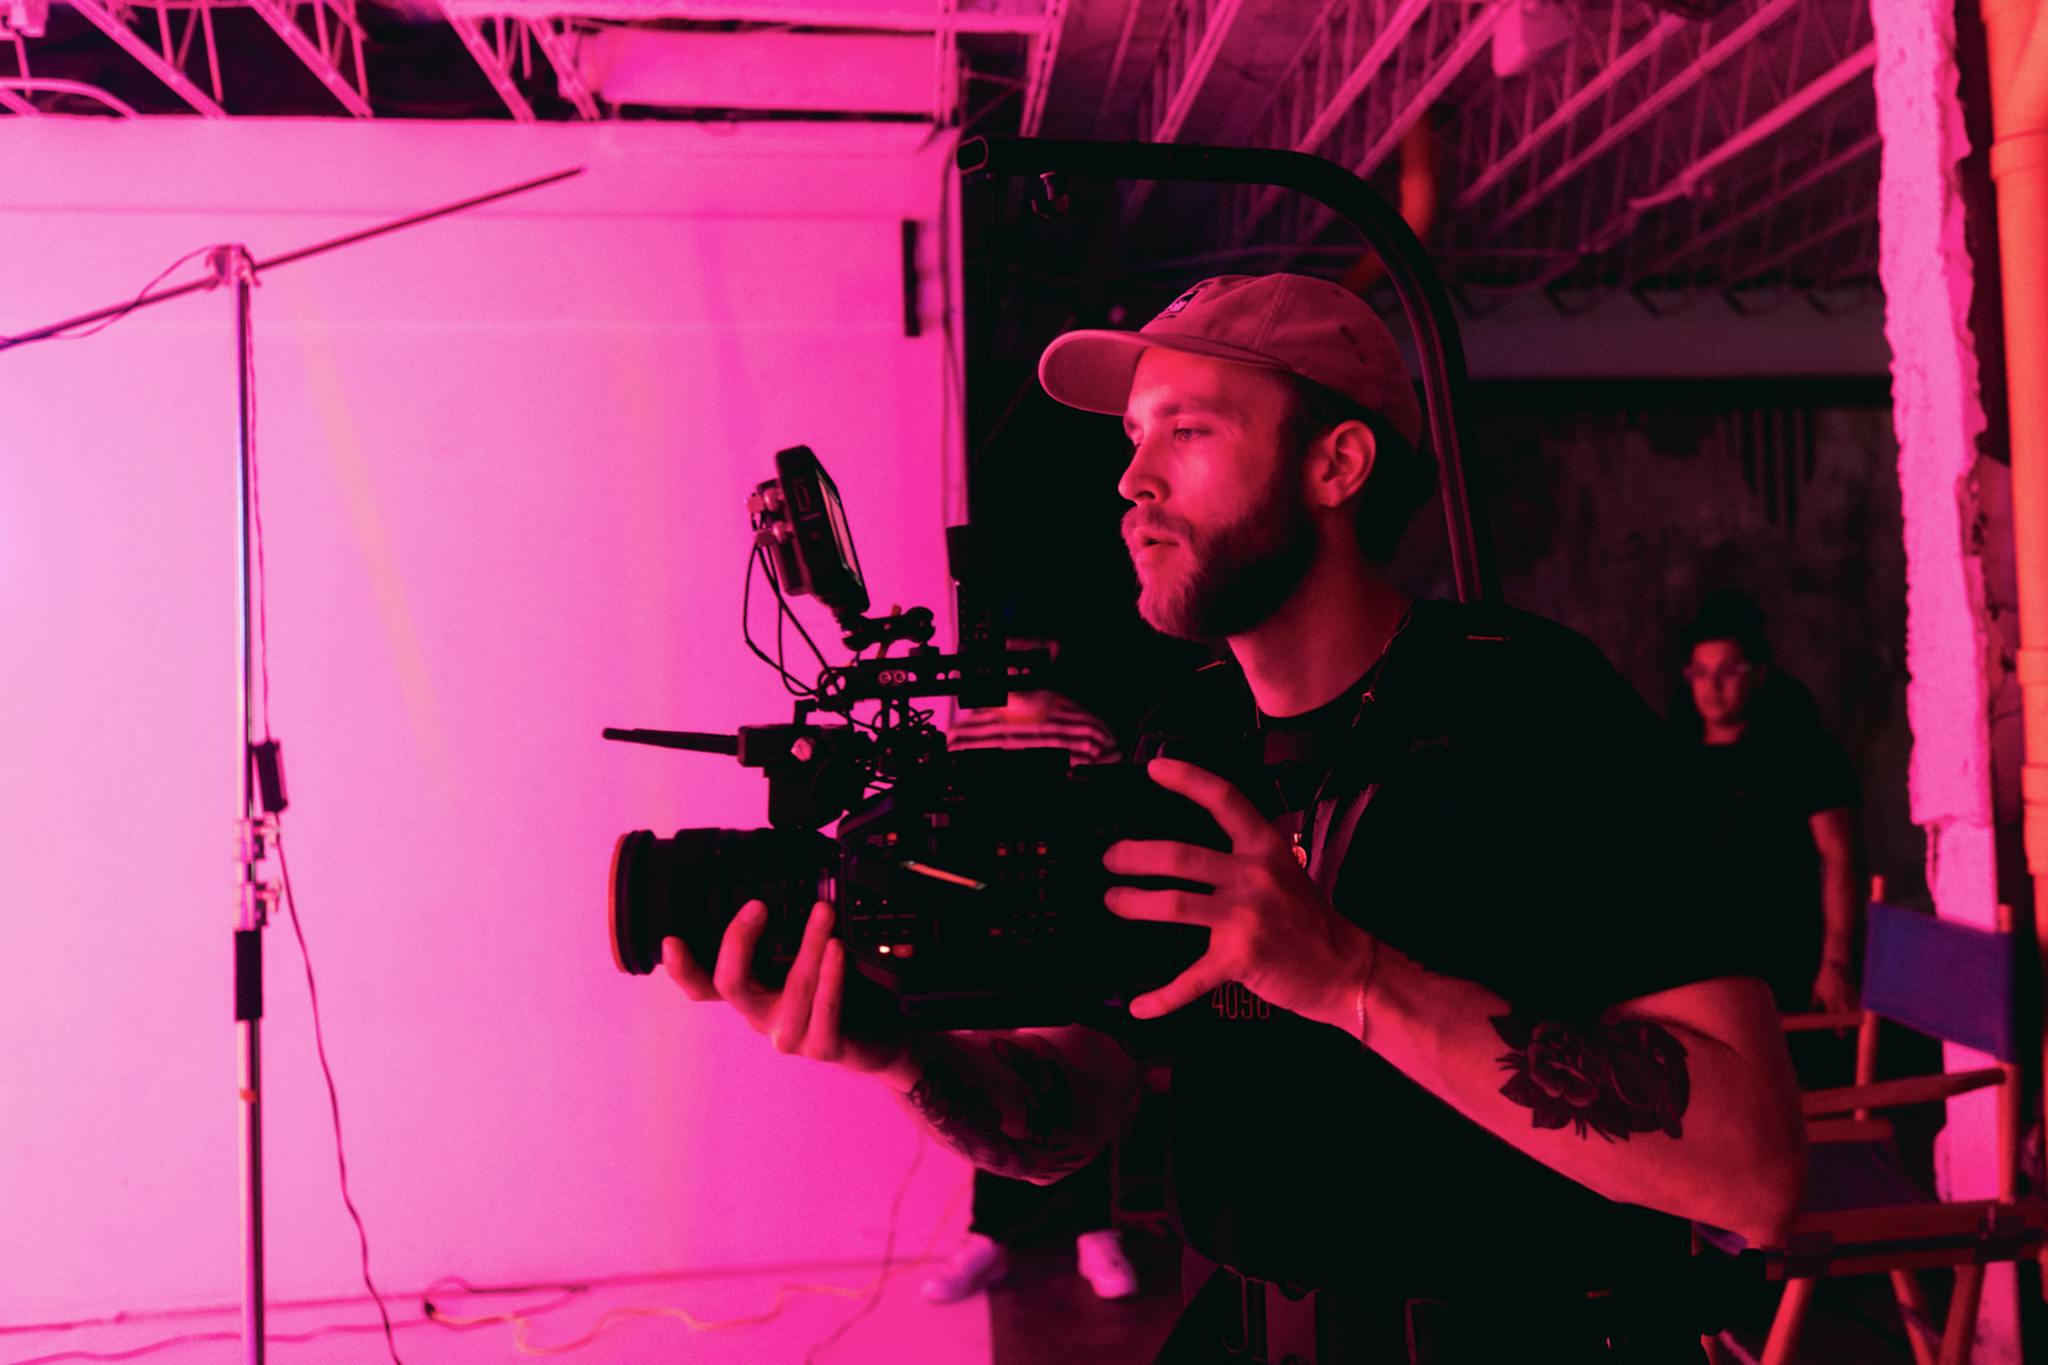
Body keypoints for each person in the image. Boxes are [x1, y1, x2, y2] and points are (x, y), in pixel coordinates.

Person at [663, 273, 1805, 1363]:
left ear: (1337, 463)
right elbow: (1078, 1110)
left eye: (1187, 431)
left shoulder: (1531, 708)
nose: (1131, 482)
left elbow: (1749, 1169)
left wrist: (1352, 977)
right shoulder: (1183, 739)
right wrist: (900, 1057)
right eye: (1132, 441)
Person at [923, 653, 1141, 1304]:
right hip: (984, 924)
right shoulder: (966, 730)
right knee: (987, 1071)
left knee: (1074, 1063)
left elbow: (1113, 823)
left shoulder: (1088, 732)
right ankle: (989, 1235)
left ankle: (1094, 1230)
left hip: (1070, 921)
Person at [1667, 591, 1863, 1018]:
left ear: (1758, 674)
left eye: (1728, 672)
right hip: (1702, 963)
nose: (1713, 687)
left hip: (1786, 953)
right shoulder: (1674, 757)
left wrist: (1836, 961)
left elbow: (1841, 856)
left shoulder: (1804, 752)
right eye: (1700, 673)